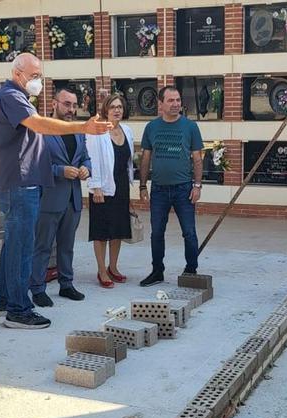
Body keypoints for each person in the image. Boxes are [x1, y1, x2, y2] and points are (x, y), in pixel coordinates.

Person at [0, 53, 110, 329]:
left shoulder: (17, 97)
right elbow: (39, 124)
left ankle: (3, 301)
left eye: (39, 76)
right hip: (20, 183)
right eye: (34, 76)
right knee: (22, 248)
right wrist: (83, 127)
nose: (38, 81)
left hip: (23, 183)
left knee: (13, 244)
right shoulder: (11, 96)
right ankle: (18, 310)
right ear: (17, 74)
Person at [29, 88, 91, 307]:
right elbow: (34, 165)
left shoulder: (78, 131)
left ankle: (66, 284)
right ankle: (37, 288)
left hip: (73, 199)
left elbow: (85, 157)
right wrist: (59, 171)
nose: (71, 110)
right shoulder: (42, 130)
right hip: (49, 198)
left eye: (74, 105)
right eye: (66, 104)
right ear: (54, 104)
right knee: (43, 246)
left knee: (67, 245)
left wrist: (86, 169)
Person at [138, 86, 204, 287]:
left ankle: (191, 270)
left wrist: (197, 186)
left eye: (178, 100)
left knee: (189, 232)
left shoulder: (190, 127)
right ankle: (157, 271)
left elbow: (197, 159)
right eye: (171, 100)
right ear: (160, 104)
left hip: (184, 188)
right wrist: (142, 186)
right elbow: (146, 158)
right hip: (158, 189)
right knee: (156, 232)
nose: (176, 104)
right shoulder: (151, 127)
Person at [86, 94, 136, 288]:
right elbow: (92, 159)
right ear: (105, 110)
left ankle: (113, 267)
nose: (117, 110)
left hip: (121, 186)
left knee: (118, 230)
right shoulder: (96, 131)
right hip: (102, 187)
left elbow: (128, 163)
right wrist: (95, 186)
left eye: (120, 107)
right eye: (113, 107)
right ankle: (101, 271)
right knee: (101, 231)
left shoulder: (127, 130)